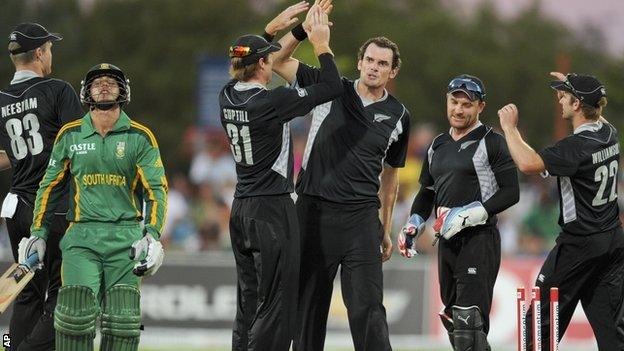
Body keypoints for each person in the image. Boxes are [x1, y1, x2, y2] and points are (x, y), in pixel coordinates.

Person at [270, 9, 410, 351]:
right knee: (308, 308)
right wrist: (304, 31)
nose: (375, 67)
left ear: (392, 72)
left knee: (368, 307)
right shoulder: (328, 86)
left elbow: (391, 177)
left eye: (383, 63)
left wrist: (386, 227)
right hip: (313, 212)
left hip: (362, 219)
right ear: (360, 62)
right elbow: (276, 60)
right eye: (370, 60)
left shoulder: (400, 116)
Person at [18, 63, 167, 351]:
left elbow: (156, 190)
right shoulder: (70, 135)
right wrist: (39, 232)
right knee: (74, 317)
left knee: (123, 323)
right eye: (97, 82)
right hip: (81, 237)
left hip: (125, 239)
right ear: (87, 92)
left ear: (124, 91)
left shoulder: (140, 136)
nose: (104, 86)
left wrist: (152, 234)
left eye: (111, 82)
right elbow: (49, 186)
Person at [219, 3, 343, 350]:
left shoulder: (226, 95)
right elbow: (332, 86)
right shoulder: (271, 103)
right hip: (272, 209)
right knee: (277, 304)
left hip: (241, 209)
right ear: (262, 65)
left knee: (249, 300)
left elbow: (254, 58)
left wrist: (274, 32)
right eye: (267, 57)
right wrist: (320, 43)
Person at [498, 72, 624, 350]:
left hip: (579, 243)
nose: (559, 99)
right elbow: (597, 112)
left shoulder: (575, 147)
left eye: (564, 95)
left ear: (578, 104)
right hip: (612, 240)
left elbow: (528, 164)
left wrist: (510, 128)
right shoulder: (609, 133)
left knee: (538, 323)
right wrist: (576, 84)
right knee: (612, 331)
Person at [398, 75, 519, 351]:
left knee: (469, 323)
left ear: (480, 107)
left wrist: (473, 212)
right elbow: (427, 192)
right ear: (447, 102)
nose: (459, 109)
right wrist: (414, 222)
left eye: (467, 104)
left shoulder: (492, 141)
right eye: (454, 102)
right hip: (447, 243)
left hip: (479, 239)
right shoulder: (436, 145)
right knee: (456, 325)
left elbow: (512, 192)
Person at [0, 22, 83, 350]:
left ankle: (14, 345)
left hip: (16, 204)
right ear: (38, 52)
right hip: (52, 204)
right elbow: (78, 144)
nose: (51, 55)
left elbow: (9, 155)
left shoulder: (2, 100)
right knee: (63, 290)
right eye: (49, 49)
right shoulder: (57, 91)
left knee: (26, 291)